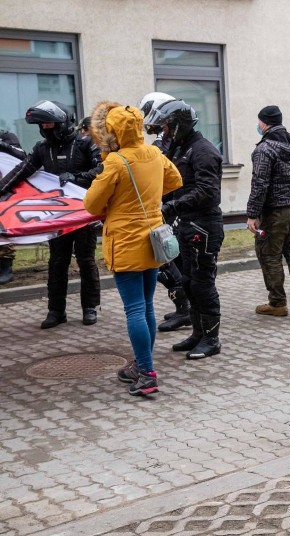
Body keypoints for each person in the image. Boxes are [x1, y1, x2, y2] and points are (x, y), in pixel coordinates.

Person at [83, 102, 183, 396]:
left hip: (126, 244)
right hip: (153, 242)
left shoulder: (115, 162)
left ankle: (147, 373)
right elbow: (175, 180)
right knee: (147, 306)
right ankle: (142, 364)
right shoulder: (154, 152)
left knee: (135, 310)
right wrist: (149, 196)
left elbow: (91, 204)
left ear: (111, 132)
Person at [0, 101, 102, 328]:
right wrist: (2, 189)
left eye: (50, 124)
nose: (46, 128)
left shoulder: (86, 144)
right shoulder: (41, 148)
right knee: (57, 263)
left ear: (63, 122)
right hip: (56, 217)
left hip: (83, 214)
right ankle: (56, 311)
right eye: (43, 125)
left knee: (86, 261)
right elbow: (22, 170)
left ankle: (90, 307)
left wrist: (78, 177)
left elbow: (103, 169)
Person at [149, 99, 225, 360]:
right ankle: (197, 333)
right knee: (189, 283)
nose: (165, 132)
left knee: (203, 284)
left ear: (179, 124)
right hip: (186, 223)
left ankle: (212, 339)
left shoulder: (202, 150)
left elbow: (208, 191)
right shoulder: (181, 148)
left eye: (167, 127)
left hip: (204, 225)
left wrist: (173, 206)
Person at [246, 105, 290, 318]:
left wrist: (252, 214)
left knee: (269, 255)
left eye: (259, 121)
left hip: (275, 213)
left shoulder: (264, 149)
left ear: (264, 123)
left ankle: (277, 303)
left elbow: (260, 184)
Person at [138, 91, 190, 333]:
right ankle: (183, 307)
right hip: (166, 207)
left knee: (167, 262)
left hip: (172, 208)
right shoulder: (165, 138)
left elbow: (161, 164)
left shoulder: (169, 140)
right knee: (169, 260)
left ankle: (185, 309)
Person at [0, 130, 24, 285]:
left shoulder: (7, 136)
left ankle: (5, 268)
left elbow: (22, 157)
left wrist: (3, 145)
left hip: (5, 190)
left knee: (3, 231)